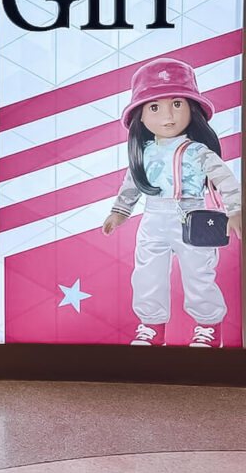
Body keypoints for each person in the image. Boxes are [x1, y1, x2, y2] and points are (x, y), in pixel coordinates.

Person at [102, 58, 241, 348]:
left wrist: (236, 209)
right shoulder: (144, 152)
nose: (168, 115)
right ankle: (151, 328)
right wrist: (119, 211)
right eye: (155, 107)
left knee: (199, 274)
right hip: (154, 219)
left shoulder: (198, 151)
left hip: (193, 215)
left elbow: (226, 180)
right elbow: (131, 185)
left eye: (177, 103)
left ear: (193, 108)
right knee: (147, 274)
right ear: (140, 116)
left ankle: (208, 326)